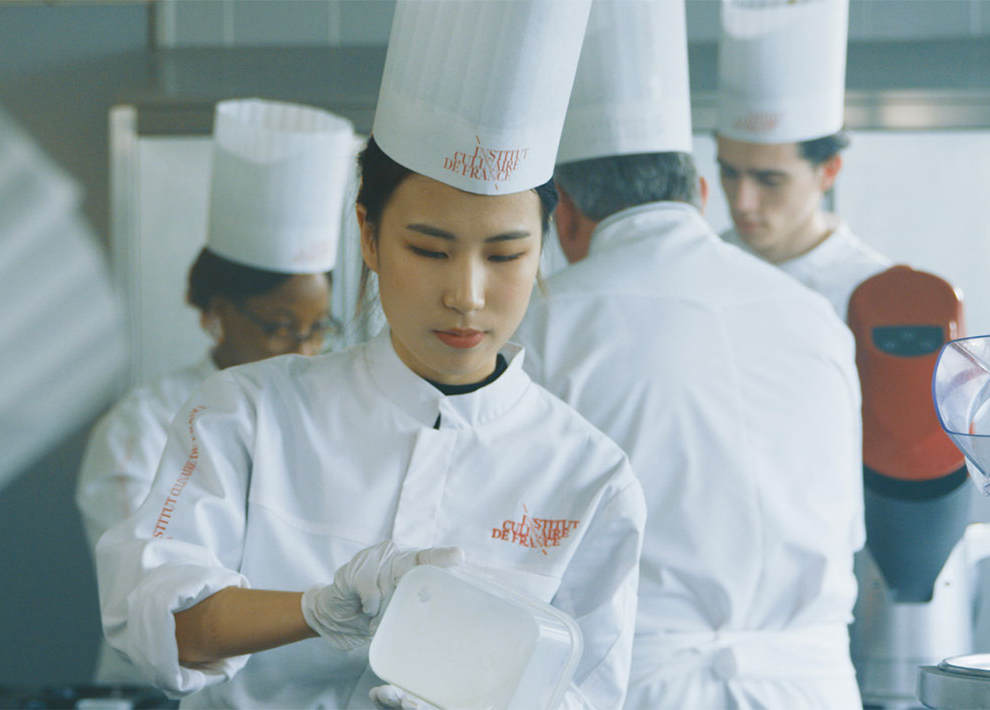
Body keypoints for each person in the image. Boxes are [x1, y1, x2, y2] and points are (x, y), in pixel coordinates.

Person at [96, 1, 646, 707]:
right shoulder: (246, 414)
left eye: (507, 253)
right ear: (368, 233)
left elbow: (592, 693)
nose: (467, 296)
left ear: (545, 241)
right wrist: (314, 609)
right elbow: (156, 621)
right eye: (429, 249)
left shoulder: (591, 475)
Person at [513, 0, 865, 706]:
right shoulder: (816, 319)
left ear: (567, 215)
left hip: (644, 685)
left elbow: (515, 543)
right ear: (700, 193)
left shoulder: (547, 320)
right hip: (816, 686)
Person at [76, 97, 353, 684]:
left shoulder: (341, 419)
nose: (303, 350)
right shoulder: (141, 425)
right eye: (281, 326)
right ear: (218, 314)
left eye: (317, 328)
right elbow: (150, 591)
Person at [714, 0, 889, 321]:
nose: (742, 202)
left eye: (769, 179)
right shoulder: (703, 267)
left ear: (828, 171)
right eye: (729, 172)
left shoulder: (871, 292)